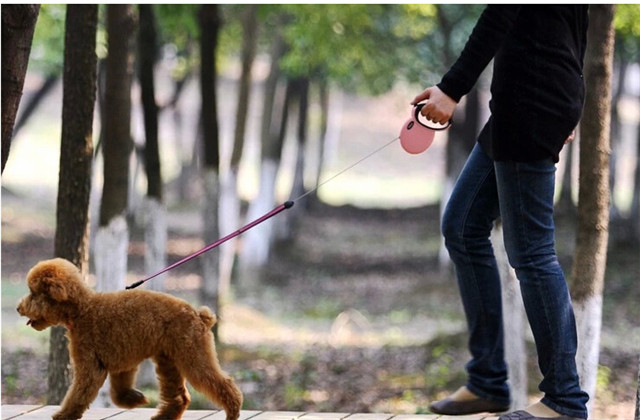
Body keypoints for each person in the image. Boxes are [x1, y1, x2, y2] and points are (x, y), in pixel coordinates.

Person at [411, 5, 591, 420]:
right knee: (462, 226)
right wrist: (572, 97)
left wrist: (451, 88)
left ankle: (564, 400)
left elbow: (501, 13)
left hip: (534, 98)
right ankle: (488, 380)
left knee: (531, 252)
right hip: (526, 101)